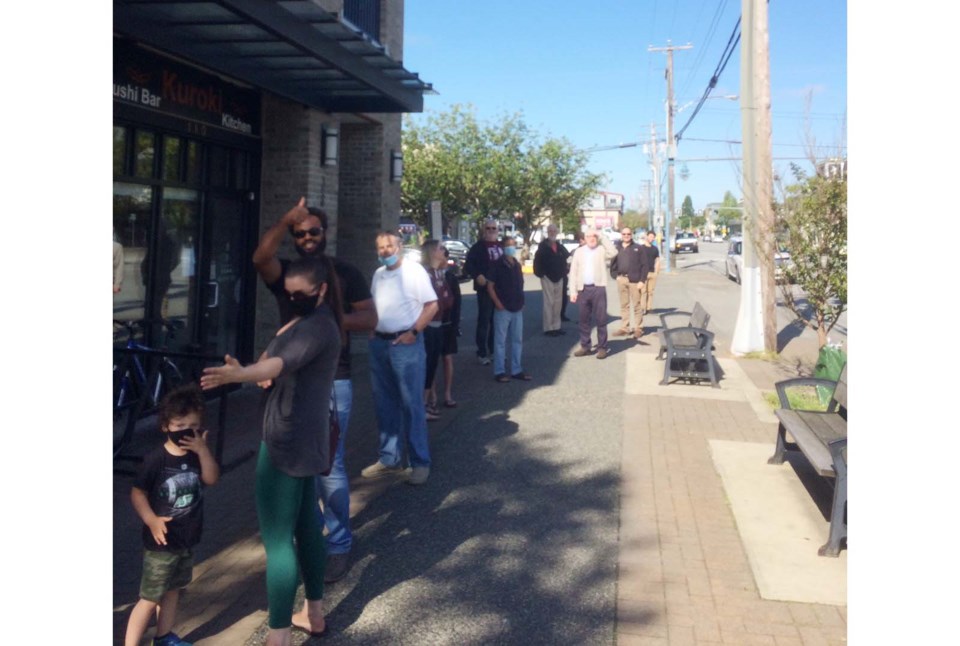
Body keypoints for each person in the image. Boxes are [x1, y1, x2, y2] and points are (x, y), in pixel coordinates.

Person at [201, 257, 343, 645]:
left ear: (322, 290)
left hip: (286, 442)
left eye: (301, 294)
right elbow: (273, 358)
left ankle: (277, 635)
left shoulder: (317, 327)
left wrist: (240, 375)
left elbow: (278, 362)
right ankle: (313, 613)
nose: (293, 298)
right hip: (304, 440)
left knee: (278, 540)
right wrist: (257, 368)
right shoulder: (307, 322)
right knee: (306, 527)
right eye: (289, 292)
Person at [251, 197, 376, 584]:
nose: (306, 237)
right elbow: (259, 258)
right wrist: (284, 218)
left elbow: (370, 319)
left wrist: (324, 319)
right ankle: (307, 537)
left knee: (329, 466)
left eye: (313, 231)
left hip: (332, 380)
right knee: (285, 460)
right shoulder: (288, 272)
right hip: (286, 381)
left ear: (326, 232)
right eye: (299, 232)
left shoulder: (345, 272)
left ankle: (337, 543)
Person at [125, 384, 220, 646]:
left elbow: (211, 478)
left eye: (193, 425)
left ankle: (164, 635)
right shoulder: (156, 459)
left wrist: (203, 450)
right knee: (150, 597)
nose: (186, 432)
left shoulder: (196, 455)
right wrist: (151, 520)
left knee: (173, 590)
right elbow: (137, 493)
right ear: (165, 426)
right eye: (179, 426)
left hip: (186, 539)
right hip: (161, 543)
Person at [362, 231, 438, 486]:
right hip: (380, 344)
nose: (384, 251)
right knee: (384, 403)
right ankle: (389, 458)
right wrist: (373, 330)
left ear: (400, 246)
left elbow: (432, 305)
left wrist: (413, 332)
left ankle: (419, 462)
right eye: (380, 247)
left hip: (406, 345)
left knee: (411, 404)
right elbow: (374, 304)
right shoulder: (378, 274)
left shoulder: (414, 271)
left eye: (389, 246)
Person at [568, 227, 618, 359]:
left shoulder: (601, 250)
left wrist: (601, 236)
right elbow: (573, 272)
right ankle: (585, 346)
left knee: (601, 319)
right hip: (583, 289)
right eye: (589, 236)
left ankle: (602, 347)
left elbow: (613, 252)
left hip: (598, 288)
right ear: (584, 238)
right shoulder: (579, 252)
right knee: (584, 319)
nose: (591, 238)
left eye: (594, 236)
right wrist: (573, 291)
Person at [420, 239, 456, 421]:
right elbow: (434, 302)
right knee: (426, 366)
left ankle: (426, 403)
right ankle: (423, 404)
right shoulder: (424, 274)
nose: (444, 251)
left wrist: (442, 296)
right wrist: (441, 297)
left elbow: (448, 300)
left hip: (439, 324)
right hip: (427, 326)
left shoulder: (439, 274)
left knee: (432, 364)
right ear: (433, 252)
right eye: (441, 248)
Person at [486, 236, 531, 382]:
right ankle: (499, 371)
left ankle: (516, 369)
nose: (511, 248)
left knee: (517, 340)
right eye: (508, 246)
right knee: (500, 341)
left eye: (513, 245)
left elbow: (520, 284)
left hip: (517, 307)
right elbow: (490, 286)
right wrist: (497, 303)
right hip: (503, 308)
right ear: (503, 248)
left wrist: (522, 301)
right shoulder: (497, 265)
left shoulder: (517, 265)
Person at [464, 219, 503, 365]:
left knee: (497, 322)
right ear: (483, 230)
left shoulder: (501, 246)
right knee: (484, 321)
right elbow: (468, 266)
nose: (491, 230)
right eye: (488, 228)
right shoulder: (477, 247)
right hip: (485, 290)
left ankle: (494, 350)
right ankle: (481, 352)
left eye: (494, 228)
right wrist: (477, 275)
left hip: (500, 290)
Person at [431, 246, 462, 408]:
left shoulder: (450, 277)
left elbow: (456, 302)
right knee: (432, 360)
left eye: (443, 257)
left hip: (448, 323)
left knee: (447, 358)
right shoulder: (428, 275)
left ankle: (448, 393)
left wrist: (456, 324)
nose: (441, 260)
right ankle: (433, 395)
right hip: (432, 324)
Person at [533, 224, 570, 337]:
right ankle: (549, 328)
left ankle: (556, 326)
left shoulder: (559, 246)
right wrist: (542, 275)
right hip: (547, 278)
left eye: (554, 231)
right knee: (549, 303)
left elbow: (567, 256)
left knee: (558, 303)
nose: (552, 232)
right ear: (547, 232)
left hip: (560, 277)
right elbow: (537, 262)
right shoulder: (543, 246)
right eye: (550, 231)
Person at [610, 227, 646, 339]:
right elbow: (613, 264)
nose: (626, 235)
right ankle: (625, 328)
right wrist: (615, 276)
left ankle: (638, 328)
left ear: (631, 235)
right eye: (624, 234)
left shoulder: (638, 248)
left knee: (637, 305)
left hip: (635, 281)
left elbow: (645, 265)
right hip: (621, 279)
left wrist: (642, 280)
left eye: (628, 234)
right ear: (621, 235)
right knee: (624, 305)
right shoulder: (617, 248)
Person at [560, 230, 585, 322]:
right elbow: (569, 261)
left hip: (589, 280)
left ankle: (586, 317)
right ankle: (562, 314)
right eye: (580, 239)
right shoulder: (576, 251)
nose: (581, 241)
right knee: (580, 300)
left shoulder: (592, 250)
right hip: (578, 279)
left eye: (582, 239)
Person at [639, 230, 662, 319]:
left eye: (653, 237)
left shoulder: (655, 249)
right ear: (647, 236)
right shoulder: (641, 248)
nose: (651, 238)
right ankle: (642, 308)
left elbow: (657, 260)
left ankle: (649, 308)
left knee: (650, 291)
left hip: (652, 273)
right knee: (643, 292)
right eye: (650, 236)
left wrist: (656, 272)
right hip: (643, 273)